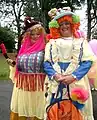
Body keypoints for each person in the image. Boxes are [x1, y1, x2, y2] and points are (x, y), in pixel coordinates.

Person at [43, 8, 96, 120]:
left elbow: (87, 62)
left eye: (67, 23)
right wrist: (56, 75)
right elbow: (47, 64)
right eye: (61, 24)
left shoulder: (81, 42)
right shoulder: (51, 43)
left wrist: (73, 76)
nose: (64, 26)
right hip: (57, 83)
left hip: (77, 82)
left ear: (72, 24)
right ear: (56, 27)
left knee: (78, 112)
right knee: (55, 112)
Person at [10, 17, 46, 120]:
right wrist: (13, 64)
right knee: (21, 111)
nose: (35, 36)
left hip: (39, 88)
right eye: (32, 34)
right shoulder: (23, 48)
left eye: (38, 34)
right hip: (22, 88)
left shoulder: (46, 48)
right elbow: (19, 65)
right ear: (28, 35)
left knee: (39, 112)